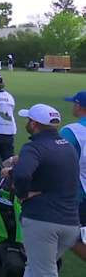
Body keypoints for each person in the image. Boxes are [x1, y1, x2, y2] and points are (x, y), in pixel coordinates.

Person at [6, 104, 80, 276]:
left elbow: (23, 175)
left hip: (43, 222)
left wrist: (22, 194)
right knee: (35, 267)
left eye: (28, 120)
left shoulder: (34, 147)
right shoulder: (67, 147)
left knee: (43, 271)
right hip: (70, 223)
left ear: (34, 124)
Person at [59, 91, 86, 260]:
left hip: (80, 194)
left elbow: (51, 153)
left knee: (69, 235)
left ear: (79, 106)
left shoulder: (72, 131)